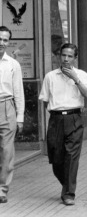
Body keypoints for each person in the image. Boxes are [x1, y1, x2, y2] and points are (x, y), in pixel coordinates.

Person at [39, 43, 87, 206]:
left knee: (71, 156)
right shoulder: (50, 76)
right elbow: (44, 100)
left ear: (75, 58)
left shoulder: (82, 75)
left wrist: (75, 79)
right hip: (55, 119)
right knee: (56, 159)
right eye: (64, 55)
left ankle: (69, 193)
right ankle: (67, 184)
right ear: (59, 56)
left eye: (70, 56)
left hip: (74, 118)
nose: (66, 59)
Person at [0, 26, 24, 204]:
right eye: (0, 39)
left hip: (7, 107)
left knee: (6, 152)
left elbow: (19, 92)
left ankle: (2, 189)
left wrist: (20, 117)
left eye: (5, 40)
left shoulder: (13, 64)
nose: (2, 43)